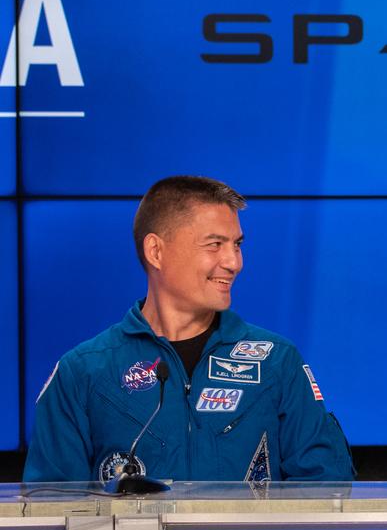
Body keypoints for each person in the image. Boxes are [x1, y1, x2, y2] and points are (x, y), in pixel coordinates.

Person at [23, 176, 354, 484]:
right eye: (214, 245)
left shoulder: (277, 361)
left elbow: (329, 492)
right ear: (156, 251)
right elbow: (49, 512)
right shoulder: (82, 372)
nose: (234, 262)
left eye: (237, 245)